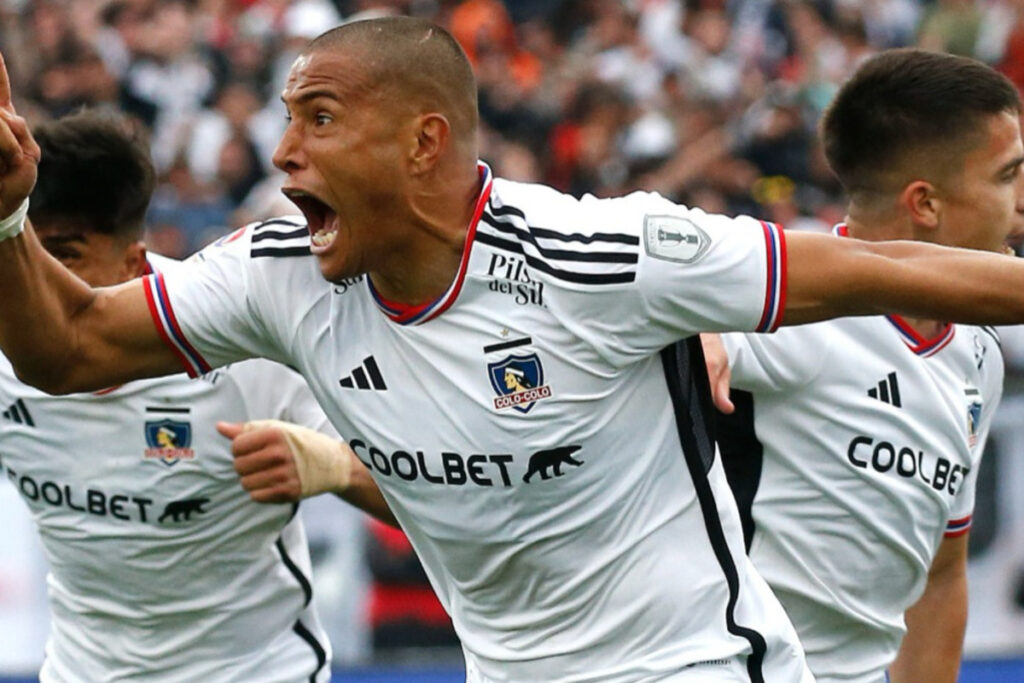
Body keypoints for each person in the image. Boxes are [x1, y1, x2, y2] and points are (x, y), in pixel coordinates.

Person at [5, 18, 1024, 682]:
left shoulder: (601, 253)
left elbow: (896, 271)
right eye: (285, 120)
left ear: (423, 141)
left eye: (318, 119)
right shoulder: (274, 273)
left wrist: (709, 319)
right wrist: (7, 219)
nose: (283, 155)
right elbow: (69, 347)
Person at [0, 109, 388, 682]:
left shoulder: (240, 339)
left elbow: (430, 487)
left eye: (65, 255)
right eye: (22, 255)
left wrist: (336, 467)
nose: (38, 283)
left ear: (135, 262)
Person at [710, 49, 1023, 683]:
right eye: (1009, 175)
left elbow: (939, 575)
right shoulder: (785, 302)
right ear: (925, 203)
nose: (1021, 200)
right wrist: (700, 324)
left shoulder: (980, 351)